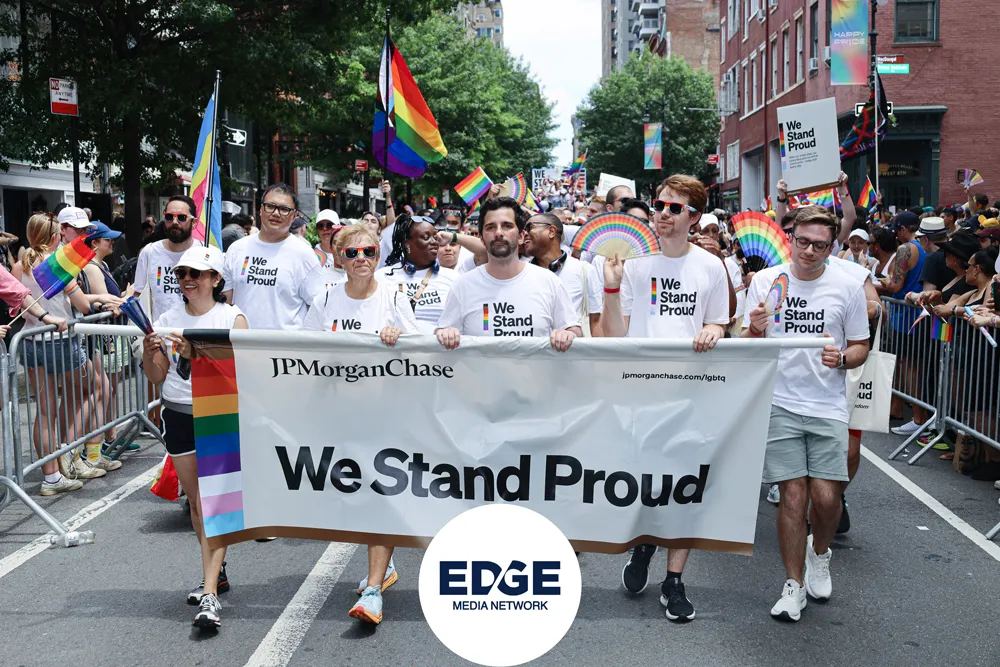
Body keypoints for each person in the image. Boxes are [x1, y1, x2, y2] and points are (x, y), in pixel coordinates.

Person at [603, 175, 730, 623]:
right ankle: (644, 545)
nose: (663, 213)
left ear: (694, 216)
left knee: (687, 489)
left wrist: (714, 329)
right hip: (641, 395)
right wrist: (612, 287)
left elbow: (718, 322)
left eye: (674, 208)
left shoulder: (710, 267)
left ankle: (674, 580)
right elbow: (614, 335)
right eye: (659, 205)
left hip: (692, 396)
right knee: (647, 486)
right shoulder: (636, 264)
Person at [743, 206, 869, 622]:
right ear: (791, 239)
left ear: (831, 247)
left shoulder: (847, 287)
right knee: (792, 496)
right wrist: (755, 327)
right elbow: (747, 342)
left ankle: (820, 552)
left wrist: (843, 358)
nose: (809, 251)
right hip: (779, 401)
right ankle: (792, 585)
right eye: (802, 242)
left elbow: (860, 346)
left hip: (827, 405)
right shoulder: (766, 281)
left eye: (819, 245)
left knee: (827, 499)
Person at [301, 225, 417, 625]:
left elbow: (421, 350)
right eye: (352, 253)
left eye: (368, 251)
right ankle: (384, 565)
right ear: (339, 258)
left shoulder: (393, 296)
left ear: (378, 256)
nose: (361, 258)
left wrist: (400, 335)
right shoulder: (324, 299)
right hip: (338, 415)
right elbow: (303, 354)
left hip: (385, 414)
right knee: (353, 495)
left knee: (379, 496)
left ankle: (372, 590)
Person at [142, 245, 248, 629]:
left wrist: (197, 354)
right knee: (197, 505)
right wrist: (149, 351)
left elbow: (243, 374)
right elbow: (157, 375)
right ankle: (214, 572)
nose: (187, 280)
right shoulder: (167, 319)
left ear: (215, 279)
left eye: (197, 274)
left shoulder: (232, 318)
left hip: (219, 414)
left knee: (214, 503)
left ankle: (209, 593)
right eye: (182, 273)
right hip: (178, 413)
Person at [12, 213, 110, 493]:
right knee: (94, 388)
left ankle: (51, 477)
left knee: (44, 411)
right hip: (60, 341)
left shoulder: (19, 266)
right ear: (55, 236)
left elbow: (18, 304)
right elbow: (83, 305)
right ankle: (68, 451)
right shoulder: (57, 264)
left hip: (31, 341)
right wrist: (95, 298)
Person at [435, 197, 580, 350]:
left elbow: (573, 330)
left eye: (507, 226)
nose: (498, 233)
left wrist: (567, 334)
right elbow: (442, 332)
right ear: (482, 238)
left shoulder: (549, 281)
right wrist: (446, 333)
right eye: (490, 227)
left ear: (521, 236)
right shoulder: (462, 286)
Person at [221, 183, 324, 330]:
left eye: (284, 209)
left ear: (294, 216)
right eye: (270, 206)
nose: (276, 213)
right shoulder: (237, 249)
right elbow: (225, 303)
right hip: (242, 341)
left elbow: (319, 308)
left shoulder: (304, 255)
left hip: (286, 343)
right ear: (261, 209)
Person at [375, 214, 458, 334]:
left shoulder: (453, 277)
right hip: (398, 344)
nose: (434, 242)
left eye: (435, 237)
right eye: (426, 237)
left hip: (439, 344)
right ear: (407, 244)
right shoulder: (383, 277)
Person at [522, 213, 602, 336]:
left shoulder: (584, 270)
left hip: (574, 347)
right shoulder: (521, 274)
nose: (524, 233)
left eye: (529, 227)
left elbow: (596, 321)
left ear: (551, 231)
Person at [131, 197, 198, 320]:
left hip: (196, 329)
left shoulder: (205, 252)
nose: (175, 222)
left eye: (182, 217)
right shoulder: (149, 252)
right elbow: (138, 293)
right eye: (169, 217)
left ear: (194, 222)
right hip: (159, 329)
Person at [313, 209, 347, 288]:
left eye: (329, 225)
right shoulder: (311, 255)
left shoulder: (349, 253)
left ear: (338, 227)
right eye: (320, 226)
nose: (325, 229)